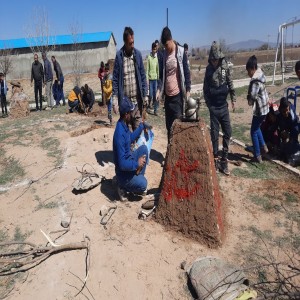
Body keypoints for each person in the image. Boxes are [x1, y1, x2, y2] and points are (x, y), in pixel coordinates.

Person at [203, 41, 236, 175]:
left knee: (228, 132)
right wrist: (209, 105)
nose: (215, 62)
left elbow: (230, 82)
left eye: (217, 59)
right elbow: (205, 90)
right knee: (214, 135)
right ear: (211, 58)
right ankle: (215, 159)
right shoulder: (208, 70)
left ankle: (224, 160)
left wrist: (233, 99)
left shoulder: (225, 66)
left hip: (224, 106)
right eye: (213, 59)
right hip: (214, 108)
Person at [157, 26, 191, 142]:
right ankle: (170, 151)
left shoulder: (180, 52)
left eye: (167, 45)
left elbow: (186, 71)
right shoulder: (163, 54)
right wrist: (158, 89)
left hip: (177, 96)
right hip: (168, 98)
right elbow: (161, 75)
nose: (166, 48)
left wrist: (188, 89)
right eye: (164, 46)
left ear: (171, 39)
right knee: (168, 126)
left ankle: (178, 153)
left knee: (177, 126)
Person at [113, 96, 148, 201]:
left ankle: (136, 178)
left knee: (144, 149)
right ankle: (123, 186)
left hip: (130, 161)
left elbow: (130, 138)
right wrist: (137, 164)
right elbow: (122, 164)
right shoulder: (119, 134)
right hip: (123, 173)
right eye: (131, 112)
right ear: (126, 114)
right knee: (144, 184)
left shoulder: (123, 125)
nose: (132, 114)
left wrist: (142, 127)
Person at [112, 26, 148, 130]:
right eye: (130, 43)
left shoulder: (138, 54)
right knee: (126, 134)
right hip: (125, 105)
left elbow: (142, 75)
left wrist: (145, 94)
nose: (132, 45)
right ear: (124, 42)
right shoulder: (119, 56)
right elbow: (115, 79)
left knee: (138, 130)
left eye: (133, 42)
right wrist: (115, 99)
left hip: (137, 102)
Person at [246, 55, 269, 163]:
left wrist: (249, 99)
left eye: (248, 71)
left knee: (253, 131)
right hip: (265, 108)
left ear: (253, 68)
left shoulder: (255, 81)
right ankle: (264, 147)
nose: (248, 73)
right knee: (257, 127)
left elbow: (253, 96)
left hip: (259, 109)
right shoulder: (261, 76)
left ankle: (257, 155)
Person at [277, 97, 299, 161]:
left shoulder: (291, 111)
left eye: (287, 110)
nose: (286, 112)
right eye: (284, 111)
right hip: (285, 125)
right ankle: (284, 148)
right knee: (282, 135)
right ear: (281, 109)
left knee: (295, 132)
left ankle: (294, 146)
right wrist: (282, 131)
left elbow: (294, 123)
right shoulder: (279, 114)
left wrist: (289, 134)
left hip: (294, 124)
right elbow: (278, 125)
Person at [146, 42, 159, 115]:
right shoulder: (149, 57)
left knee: (155, 95)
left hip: (155, 79)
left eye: (155, 49)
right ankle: (148, 105)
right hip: (150, 80)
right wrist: (147, 78)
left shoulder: (156, 58)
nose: (155, 51)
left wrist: (158, 78)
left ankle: (155, 110)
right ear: (152, 49)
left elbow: (157, 69)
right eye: (154, 49)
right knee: (150, 94)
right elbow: (147, 69)